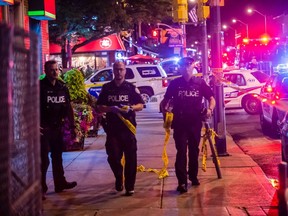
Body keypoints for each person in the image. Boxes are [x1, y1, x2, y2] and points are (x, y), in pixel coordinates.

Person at [161, 57, 216, 194]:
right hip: (179, 123)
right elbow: (165, 101)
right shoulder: (174, 84)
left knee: (194, 150)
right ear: (179, 67)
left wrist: (210, 110)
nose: (185, 67)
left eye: (188, 64)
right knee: (181, 151)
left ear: (193, 66)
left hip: (194, 122)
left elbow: (211, 98)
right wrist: (165, 111)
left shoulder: (200, 82)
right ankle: (182, 181)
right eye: (182, 65)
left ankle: (193, 176)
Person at [97, 61, 144, 196]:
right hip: (112, 129)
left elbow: (140, 105)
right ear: (113, 70)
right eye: (116, 69)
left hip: (128, 128)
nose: (119, 72)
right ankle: (119, 176)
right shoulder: (106, 88)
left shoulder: (130, 87)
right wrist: (110, 108)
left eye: (121, 69)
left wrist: (131, 108)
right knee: (113, 157)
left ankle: (130, 186)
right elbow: (99, 106)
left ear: (125, 71)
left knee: (131, 159)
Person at [40, 60, 77, 199]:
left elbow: (68, 108)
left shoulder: (62, 87)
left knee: (58, 157)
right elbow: (30, 106)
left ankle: (60, 183)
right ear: (45, 71)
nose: (54, 72)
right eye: (51, 70)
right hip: (43, 128)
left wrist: (73, 126)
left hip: (57, 127)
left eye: (56, 69)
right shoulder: (40, 87)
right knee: (43, 160)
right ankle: (41, 188)